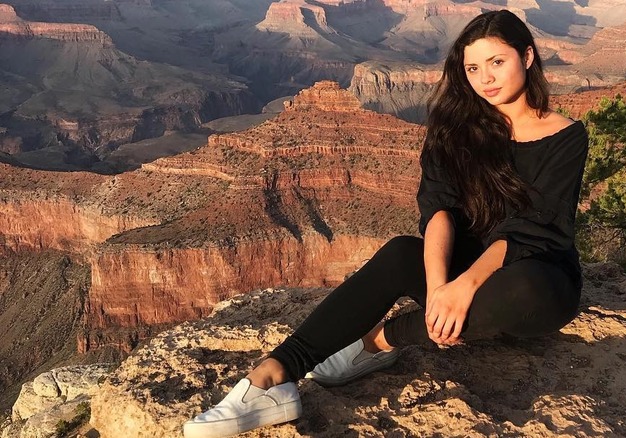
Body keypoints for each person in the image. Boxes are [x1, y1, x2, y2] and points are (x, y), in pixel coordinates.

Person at [183, 9, 588, 438]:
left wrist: (463, 287)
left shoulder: (566, 137)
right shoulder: (454, 129)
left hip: (532, 279)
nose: (485, 78)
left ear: (527, 57)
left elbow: (532, 228)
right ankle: (275, 375)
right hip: (460, 277)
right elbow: (439, 210)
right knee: (399, 252)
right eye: (472, 67)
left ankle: (379, 342)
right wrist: (437, 290)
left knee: (527, 286)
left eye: (497, 62)